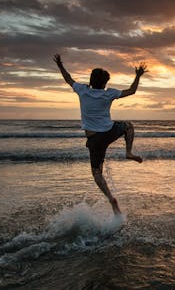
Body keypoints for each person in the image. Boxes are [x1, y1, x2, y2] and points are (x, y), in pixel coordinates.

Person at [53, 54, 147, 215]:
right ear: (105, 83)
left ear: (91, 81)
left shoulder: (82, 90)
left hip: (94, 139)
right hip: (110, 131)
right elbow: (132, 91)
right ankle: (128, 152)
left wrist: (60, 65)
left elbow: (68, 79)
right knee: (128, 126)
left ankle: (111, 198)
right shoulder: (108, 93)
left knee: (97, 173)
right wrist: (137, 76)